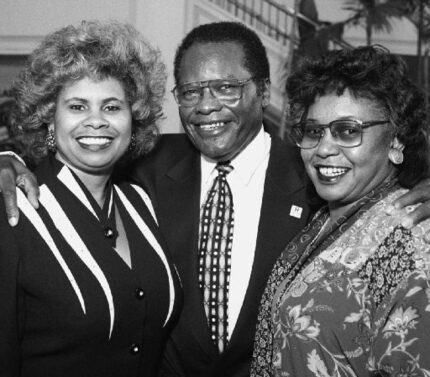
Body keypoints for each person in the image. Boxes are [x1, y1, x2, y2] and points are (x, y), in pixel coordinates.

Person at [1, 22, 430, 377]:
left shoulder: (315, 173)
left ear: (263, 93)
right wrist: (7, 157)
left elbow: (381, 167)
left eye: (226, 87)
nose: (206, 106)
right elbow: (76, 149)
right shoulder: (146, 169)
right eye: (190, 92)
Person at [0, 20, 181, 377]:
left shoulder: (139, 202)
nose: (96, 121)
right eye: (78, 106)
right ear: (49, 119)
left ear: (133, 119)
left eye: (112, 107)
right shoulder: (15, 212)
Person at [251, 45, 430, 377]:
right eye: (314, 131)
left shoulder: (414, 237)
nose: (324, 148)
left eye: (348, 131)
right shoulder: (325, 218)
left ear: (396, 141)